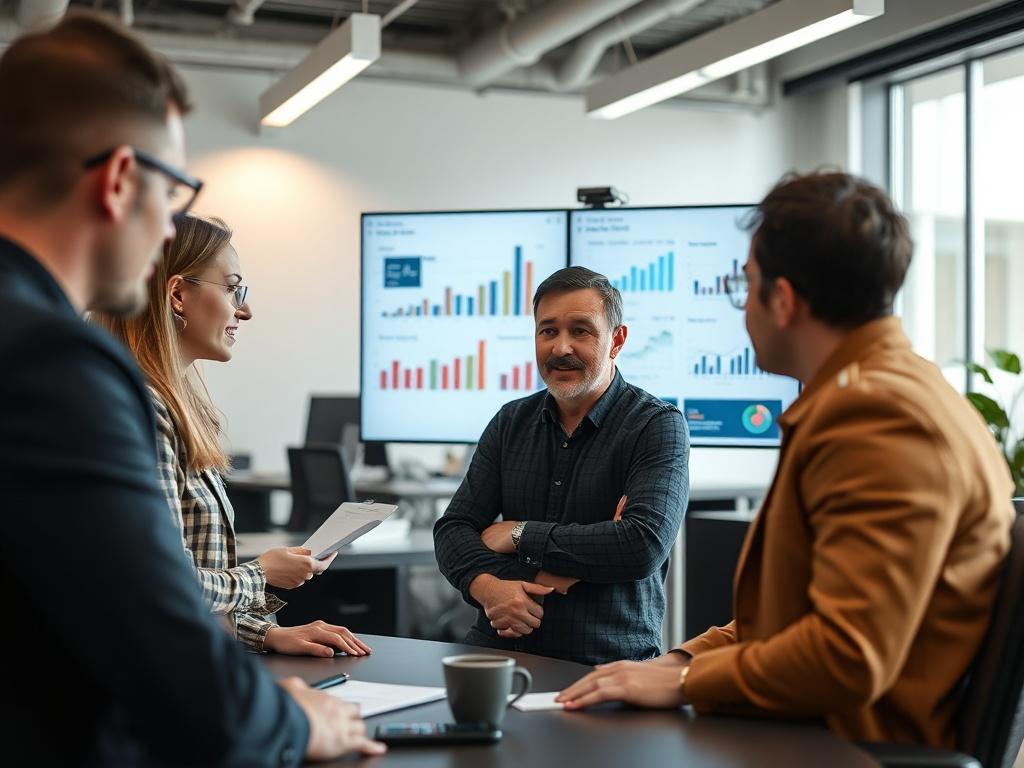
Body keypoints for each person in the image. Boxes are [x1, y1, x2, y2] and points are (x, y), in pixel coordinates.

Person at [0, 13, 383, 764]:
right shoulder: (54, 364)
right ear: (118, 181)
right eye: (172, 194)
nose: (167, 230)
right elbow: (156, 645)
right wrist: (299, 724)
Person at [557, 171, 1015, 749]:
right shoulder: (878, 392)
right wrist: (676, 663)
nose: (743, 305)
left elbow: (846, 656)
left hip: (840, 750)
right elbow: (786, 625)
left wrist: (688, 681)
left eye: (746, 285)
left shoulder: (879, 421)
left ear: (784, 300)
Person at [93, 213, 372, 658]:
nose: (245, 310)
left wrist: (266, 634)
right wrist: (261, 574)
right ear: (178, 295)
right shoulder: (141, 412)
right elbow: (159, 585)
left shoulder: (173, 409)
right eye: (233, 288)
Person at [433, 266, 690, 665]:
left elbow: (641, 545)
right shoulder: (510, 421)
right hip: (497, 652)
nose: (560, 348)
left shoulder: (656, 425)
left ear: (617, 340)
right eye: (548, 331)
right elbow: (452, 530)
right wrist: (490, 587)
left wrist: (517, 534)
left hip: (604, 662)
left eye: (580, 331)